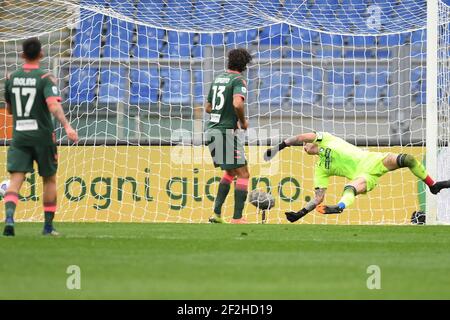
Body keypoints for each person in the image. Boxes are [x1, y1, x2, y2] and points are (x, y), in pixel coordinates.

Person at [264, 131, 450, 222]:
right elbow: (319, 197)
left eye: (305, 142)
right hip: (364, 176)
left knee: (408, 159)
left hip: (375, 160)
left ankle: (433, 185)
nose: (304, 145)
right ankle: (339, 207)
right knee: (351, 188)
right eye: (303, 146)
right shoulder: (320, 168)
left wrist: (279, 147)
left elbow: (299, 136)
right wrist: (300, 214)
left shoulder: (325, 137)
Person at [3, 37, 78, 236]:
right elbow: (53, 105)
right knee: (49, 180)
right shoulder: (45, 78)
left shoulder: (11, 78)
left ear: (22, 55)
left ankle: (9, 218)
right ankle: (47, 227)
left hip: (20, 136)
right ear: (41, 54)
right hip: (43, 136)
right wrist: (67, 126)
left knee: (16, 180)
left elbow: (9, 110)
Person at [205, 48, 252, 224]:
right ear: (245, 65)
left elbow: (208, 107)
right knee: (244, 174)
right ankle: (238, 218)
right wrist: (242, 122)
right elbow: (237, 104)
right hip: (225, 132)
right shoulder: (238, 80)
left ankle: (216, 214)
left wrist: (221, 111)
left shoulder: (218, 79)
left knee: (230, 172)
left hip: (211, 130)